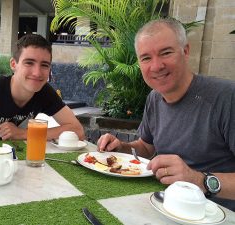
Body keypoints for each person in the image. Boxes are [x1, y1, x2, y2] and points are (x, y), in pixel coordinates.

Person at [97, 18, 235, 211]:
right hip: (163, 205)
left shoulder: (226, 97)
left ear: (185, 51)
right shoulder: (154, 98)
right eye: (146, 58)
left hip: (218, 213)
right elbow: (146, 146)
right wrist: (122, 147)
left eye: (166, 53)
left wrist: (198, 180)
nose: (156, 66)